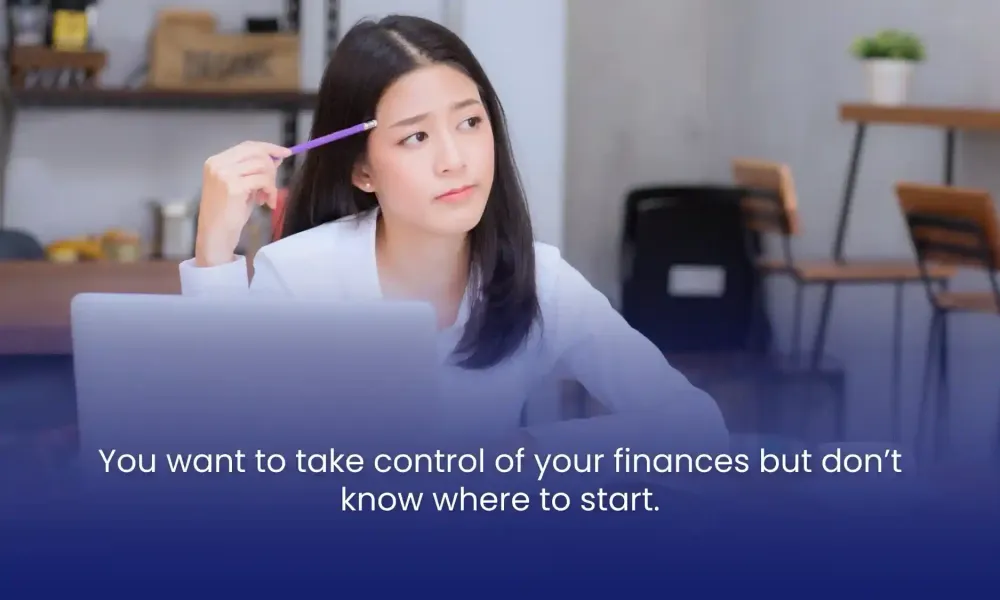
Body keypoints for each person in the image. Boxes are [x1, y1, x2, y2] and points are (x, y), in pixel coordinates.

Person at [179, 15, 729, 453]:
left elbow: (694, 425)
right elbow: (218, 452)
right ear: (362, 170)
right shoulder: (299, 274)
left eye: (470, 123)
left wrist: (525, 452)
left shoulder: (540, 280)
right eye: (415, 137)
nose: (454, 160)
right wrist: (213, 255)